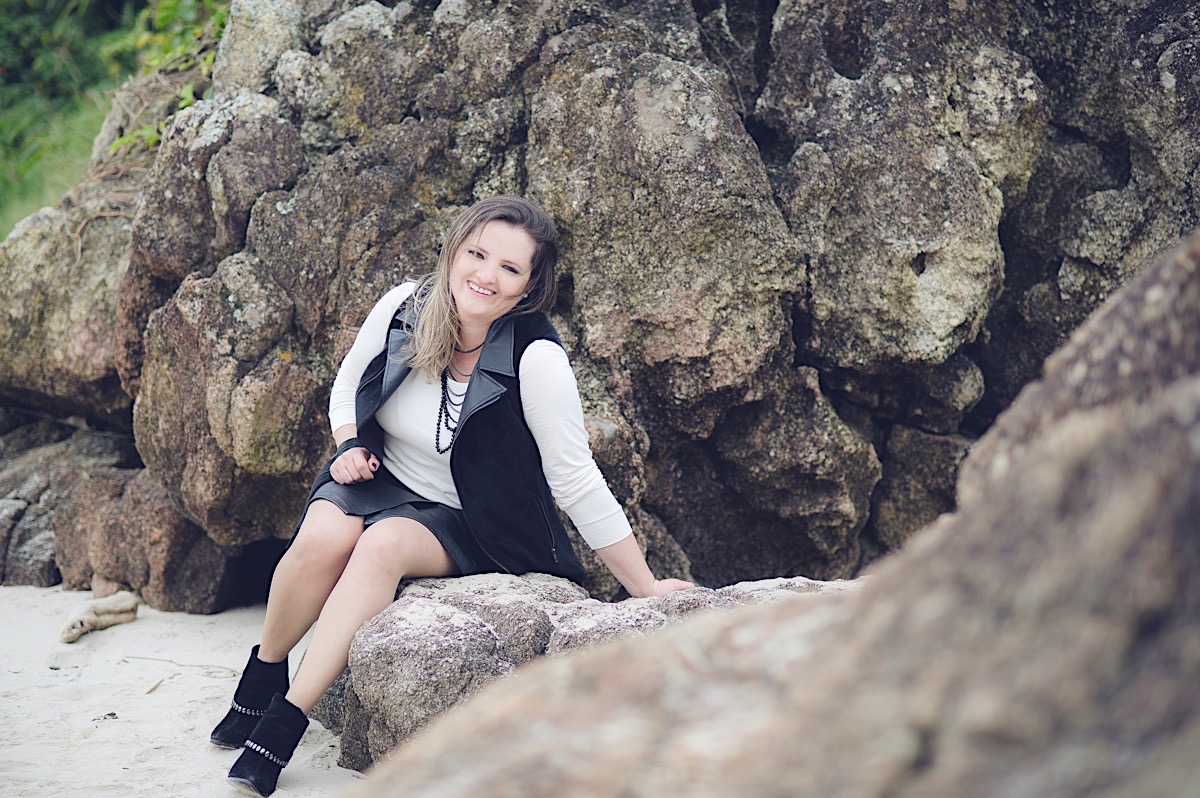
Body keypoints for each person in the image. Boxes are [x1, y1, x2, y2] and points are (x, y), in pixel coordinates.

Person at [211, 195, 694, 797]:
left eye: (510, 269)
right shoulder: (404, 308)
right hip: (381, 474)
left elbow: (575, 478)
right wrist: (347, 445)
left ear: (529, 288)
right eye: (478, 253)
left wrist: (644, 585)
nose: (486, 276)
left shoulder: (536, 359)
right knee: (325, 534)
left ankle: (283, 722)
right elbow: (346, 388)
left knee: (381, 544)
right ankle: (262, 673)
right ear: (455, 250)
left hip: (474, 517)